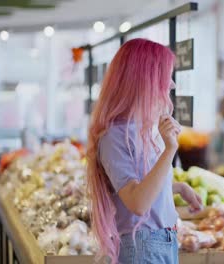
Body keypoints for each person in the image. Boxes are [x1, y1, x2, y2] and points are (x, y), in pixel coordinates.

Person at [86, 38, 202, 264]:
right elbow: (137, 203)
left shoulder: (140, 129)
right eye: (164, 75)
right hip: (144, 248)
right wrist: (169, 150)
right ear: (145, 80)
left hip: (158, 242)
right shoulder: (115, 136)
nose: (171, 84)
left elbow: (144, 186)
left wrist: (177, 187)